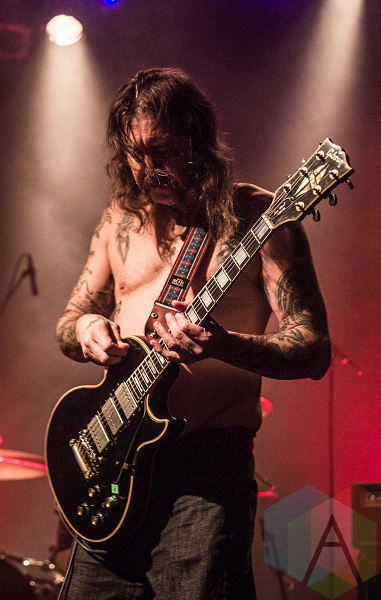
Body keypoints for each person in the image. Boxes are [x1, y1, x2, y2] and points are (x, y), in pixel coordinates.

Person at [55, 67, 331, 600]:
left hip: (205, 471)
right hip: (116, 465)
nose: (148, 169)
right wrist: (87, 328)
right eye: (135, 155)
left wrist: (224, 344)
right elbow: (69, 323)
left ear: (196, 141)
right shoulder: (118, 221)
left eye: (161, 150)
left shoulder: (260, 217)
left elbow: (313, 347)